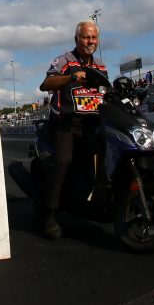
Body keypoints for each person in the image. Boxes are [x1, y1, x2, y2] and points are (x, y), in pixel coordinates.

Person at [37, 20, 107, 239]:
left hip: (91, 123)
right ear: (77, 39)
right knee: (63, 161)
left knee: (107, 153)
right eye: (86, 37)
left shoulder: (101, 66)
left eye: (94, 37)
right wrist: (71, 77)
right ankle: (49, 214)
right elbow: (46, 84)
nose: (90, 41)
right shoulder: (65, 61)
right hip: (65, 123)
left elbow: (106, 90)